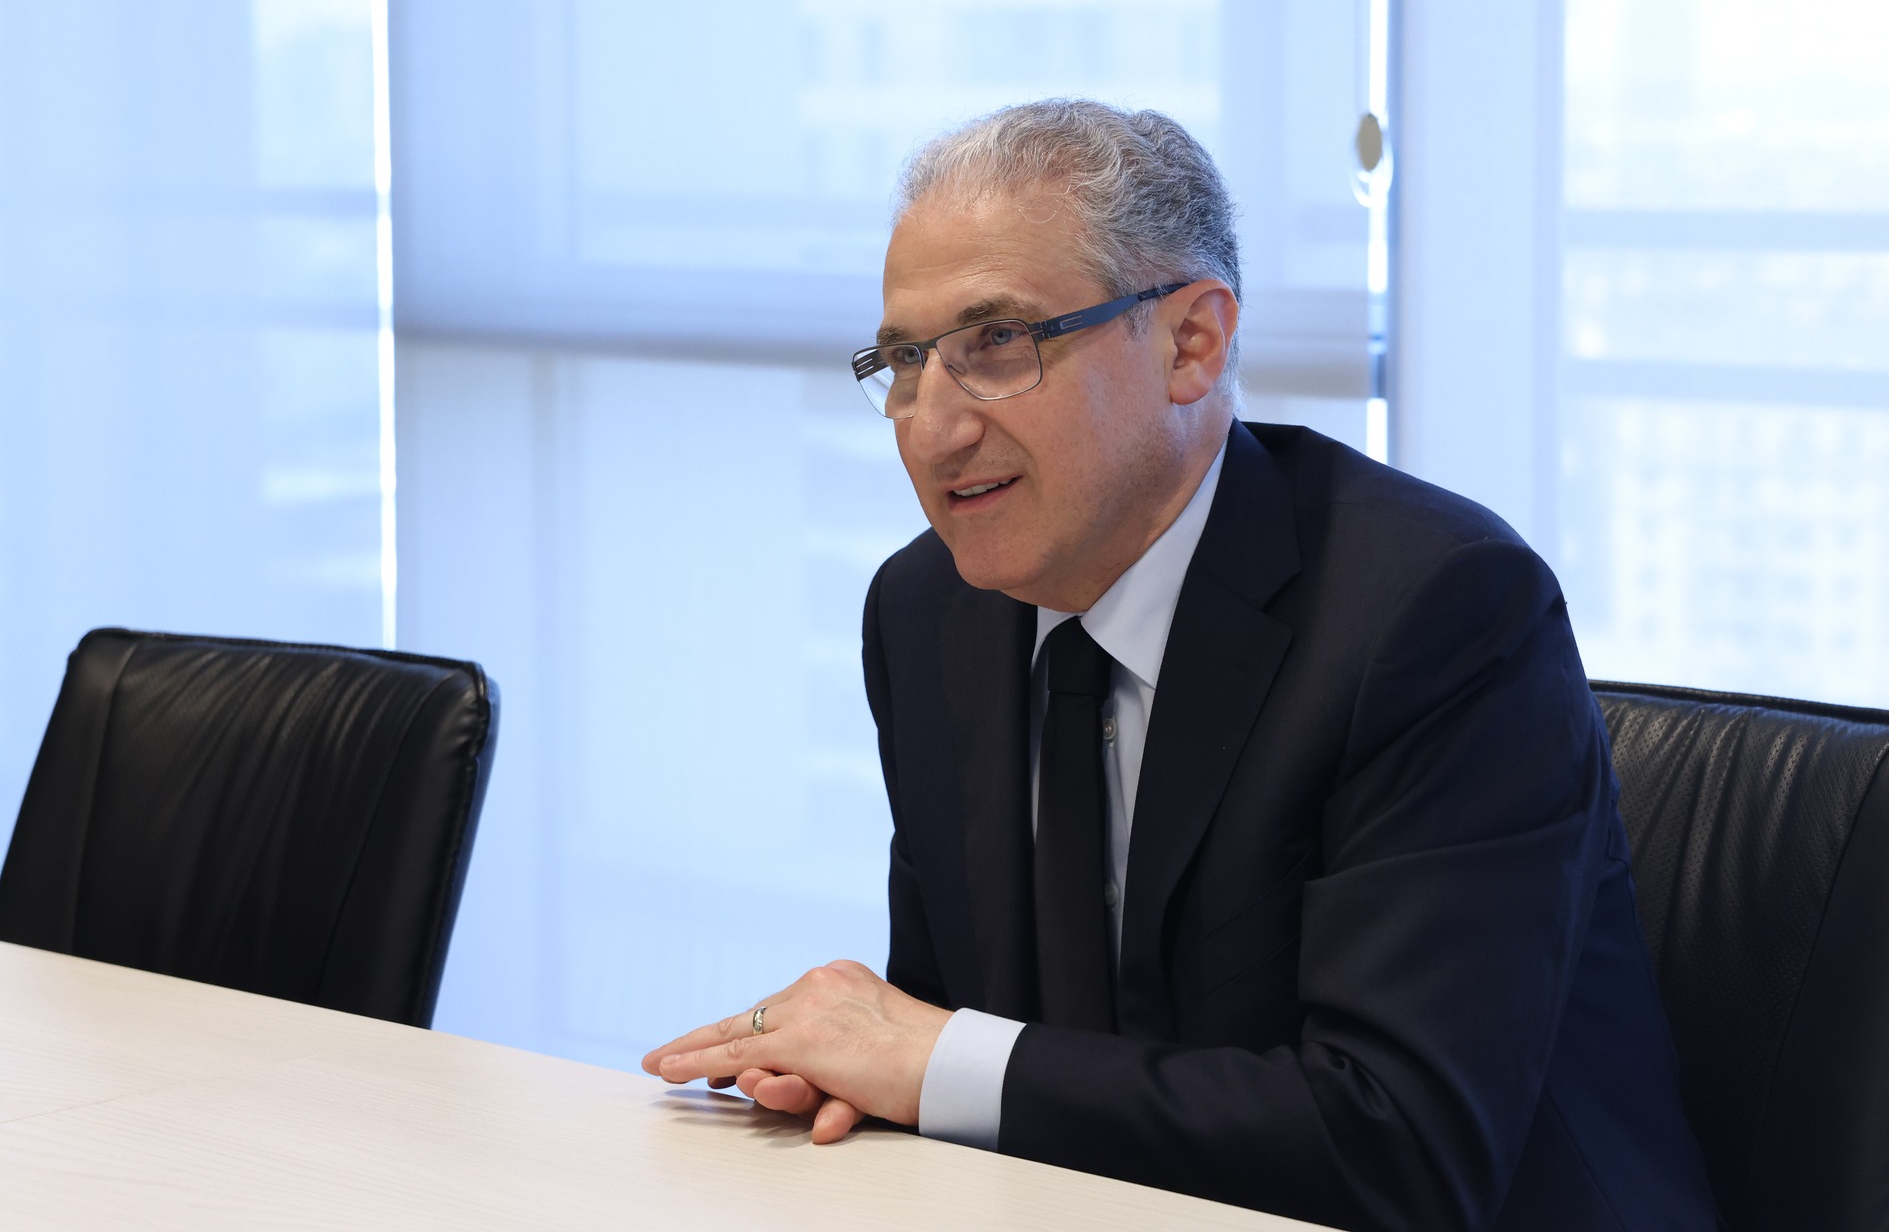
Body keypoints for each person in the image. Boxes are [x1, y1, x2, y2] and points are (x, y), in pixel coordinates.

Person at [645, 100, 1717, 1230]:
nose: (932, 427)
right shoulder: (926, 611)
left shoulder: (1435, 613)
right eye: (907, 361)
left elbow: (1396, 1149)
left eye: (996, 342)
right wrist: (862, 1073)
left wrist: (932, 1062)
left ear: (1190, 344)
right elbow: (945, 1033)